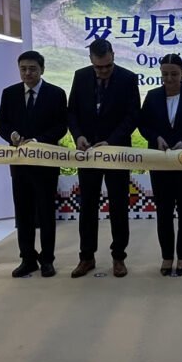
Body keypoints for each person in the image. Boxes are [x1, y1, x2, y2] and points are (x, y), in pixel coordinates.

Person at [67, 38, 141, 278]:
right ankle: (86, 257)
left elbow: (132, 116)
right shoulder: (80, 77)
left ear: (113, 56)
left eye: (108, 66)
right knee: (87, 206)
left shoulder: (128, 78)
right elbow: (72, 112)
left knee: (118, 206)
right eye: (98, 67)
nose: (103, 71)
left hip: (116, 152)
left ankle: (119, 257)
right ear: (90, 60)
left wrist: (111, 142)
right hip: (88, 153)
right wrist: (78, 136)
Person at [0, 51, 68, 278]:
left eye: (32, 69)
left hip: (46, 164)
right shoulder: (10, 93)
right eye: (23, 69)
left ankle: (47, 260)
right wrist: (12, 135)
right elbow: (0, 122)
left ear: (42, 69)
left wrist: (37, 141)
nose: (27, 73)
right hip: (19, 165)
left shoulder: (56, 94)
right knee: (23, 213)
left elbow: (61, 126)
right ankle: (27, 258)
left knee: (46, 213)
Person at [138, 54, 182, 276]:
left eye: (174, 74)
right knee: (164, 211)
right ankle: (167, 256)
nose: (169, 79)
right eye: (165, 74)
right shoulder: (152, 96)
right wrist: (156, 138)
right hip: (160, 162)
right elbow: (143, 125)